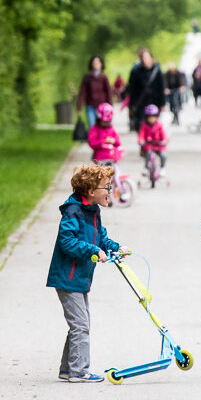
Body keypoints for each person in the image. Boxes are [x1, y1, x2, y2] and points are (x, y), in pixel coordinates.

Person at [46, 164, 130, 382]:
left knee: (79, 325)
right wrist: (93, 251)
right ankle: (78, 371)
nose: (110, 191)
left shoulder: (93, 211)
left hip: (80, 277)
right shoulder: (73, 212)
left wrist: (115, 248)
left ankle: (67, 369)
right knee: (81, 325)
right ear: (91, 192)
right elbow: (67, 242)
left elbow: (101, 237)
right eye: (107, 187)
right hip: (67, 277)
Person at [125, 48, 165, 132]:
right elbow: (132, 88)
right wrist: (131, 104)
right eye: (143, 58)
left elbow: (161, 88)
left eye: (147, 57)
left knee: (153, 126)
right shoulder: (136, 71)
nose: (145, 59)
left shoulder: (157, 70)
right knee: (141, 125)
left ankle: (153, 143)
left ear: (151, 58)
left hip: (154, 101)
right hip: (141, 102)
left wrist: (162, 103)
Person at [76, 55, 113, 129]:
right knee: (92, 127)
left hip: (102, 107)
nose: (96, 64)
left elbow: (108, 92)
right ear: (91, 64)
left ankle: (101, 140)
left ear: (101, 64)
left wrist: (110, 106)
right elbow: (82, 92)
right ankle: (93, 140)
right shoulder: (87, 77)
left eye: (98, 62)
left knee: (102, 127)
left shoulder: (104, 77)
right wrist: (79, 107)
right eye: (94, 62)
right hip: (90, 106)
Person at [138, 104, 168, 176]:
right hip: (148, 146)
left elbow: (163, 135)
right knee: (148, 154)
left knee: (163, 155)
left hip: (158, 146)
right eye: (150, 117)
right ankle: (146, 167)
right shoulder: (144, 126)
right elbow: (141, 135)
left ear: (157, 117)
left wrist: (164, 140)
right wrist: (141, 140)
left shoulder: (159, 125)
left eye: (154, 116)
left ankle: (162, 167)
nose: (152, 118)